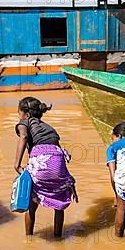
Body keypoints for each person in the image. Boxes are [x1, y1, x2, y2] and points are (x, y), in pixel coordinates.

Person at [13, 97, 77, 237]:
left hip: (41, 159)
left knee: (31, 203)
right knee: (59, 203)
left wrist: (16, 164)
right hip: (58, 161)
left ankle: (29, 239)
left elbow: (23, 137)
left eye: (19, 113)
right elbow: (56, 151)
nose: (19, 117)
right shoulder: (49, 128)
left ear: (27, 115)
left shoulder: (24, 123)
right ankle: (58, 238)